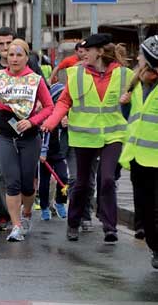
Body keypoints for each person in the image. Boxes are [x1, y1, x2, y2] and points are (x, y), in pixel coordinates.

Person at [42, 33, 133, 244]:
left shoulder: (125, 75)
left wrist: (128, 101)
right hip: (84, 136)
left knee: (108, 179)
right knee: (81, 183)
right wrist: (51, 122)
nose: (83, 55)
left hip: (113, 134)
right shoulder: (76, 74)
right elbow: (64, 102)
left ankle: (110, 227)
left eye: (87, 51)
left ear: (99, 52)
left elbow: (139, 98)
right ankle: (73, 223)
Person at [0, 39, 53, 242]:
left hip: (29, 135)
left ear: (27, 57)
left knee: (27, 183)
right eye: (11, 54)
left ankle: (26, 214)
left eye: (19, 55)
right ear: (5, 57)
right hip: (4, 135)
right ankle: (16, 225)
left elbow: (49, 107)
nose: (15, 59)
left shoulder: (35, 79)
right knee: (12, 182)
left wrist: (32, 121)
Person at [118, 35, 158, 268]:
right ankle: (155, 247)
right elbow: (133, 120)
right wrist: (125, 104)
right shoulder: (137, 85)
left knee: (155, 210)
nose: (138, 58)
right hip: (137, 157)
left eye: (142, 55)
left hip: (155, 160)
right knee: (143, 210)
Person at [38, 83, 69, 221]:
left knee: (63, 177)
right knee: (44, 183)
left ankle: (60, 202)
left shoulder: (65, 114)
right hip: (44, 154)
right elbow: (42, 134)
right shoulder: (44, 112)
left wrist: (67, 124)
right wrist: (41, 152)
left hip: (59, 153)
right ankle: (44, 207)